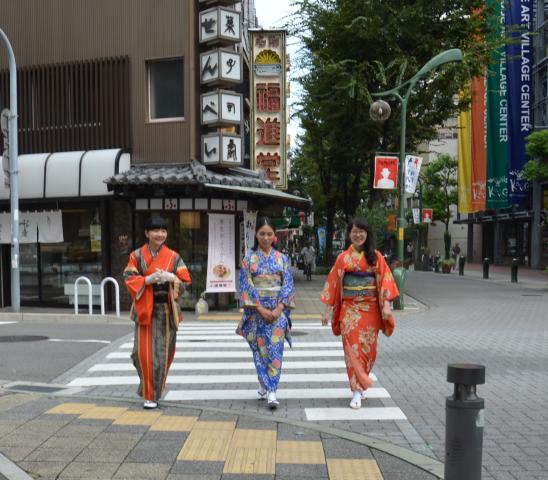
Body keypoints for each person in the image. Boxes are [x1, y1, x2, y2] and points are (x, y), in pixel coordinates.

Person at [320, 217, 399, 409]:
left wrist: (386, 306)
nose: (357, 235)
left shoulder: (377, 257)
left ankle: (361, 383)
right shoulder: (342, 259)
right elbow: (333, 283)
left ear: (367, 234)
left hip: (371, 310)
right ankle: (356, 389)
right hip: (350, 310)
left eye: (361, 231)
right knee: (352, 350)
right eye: (354, 231)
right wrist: (327, 310)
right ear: (349, 234)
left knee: (368, 351)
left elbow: (386, 281)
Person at [123, 216, 191, 409]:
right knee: (140, 354)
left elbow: (186, 282)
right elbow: (128, 278)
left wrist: (172, 278)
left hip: (166, 310)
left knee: (162, 354)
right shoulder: (136, 256)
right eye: (155, 230)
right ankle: (148, 389)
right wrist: (146, 280)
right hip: (146, 309)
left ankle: (151, 395)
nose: (159, 234)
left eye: (163, 230)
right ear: (147, 233)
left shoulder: (174, 257)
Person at [236, 216, 295, 409]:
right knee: (261, 351)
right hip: (256, 312)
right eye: (262, 234)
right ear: (256, 234)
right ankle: (264, 384)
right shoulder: (249, 259)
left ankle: (272, 391)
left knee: (275, 351)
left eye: (269, 234)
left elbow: (287, 286)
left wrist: (279, 309)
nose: (266, 237)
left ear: (274, 235)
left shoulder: (282, 259)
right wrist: (260, 308)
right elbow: (247, 285)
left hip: (278, 311)